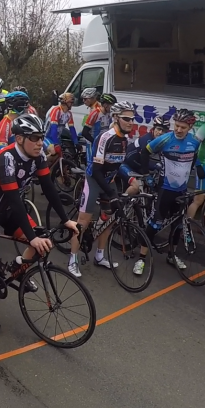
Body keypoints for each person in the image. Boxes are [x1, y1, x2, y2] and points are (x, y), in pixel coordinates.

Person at [0, 114, 79, 329]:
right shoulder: (7, 157)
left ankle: (17, 270)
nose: (41, 143)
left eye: (42, 138)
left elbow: (49, 188)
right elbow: (13, 197)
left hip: (11, 209)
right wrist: (31, 238)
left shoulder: (38, 157)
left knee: (43, 242)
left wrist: (67, 220)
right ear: (20, 139)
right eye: (35, 138)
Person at [66, 100, 136, 277]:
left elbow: (117, 165)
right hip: (94, 180)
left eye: (132, 119)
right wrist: (111, 192)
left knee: (108, 220)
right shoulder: (105, 137)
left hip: (109, 179)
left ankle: (99, 256)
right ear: (115, 118)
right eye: (126, 118)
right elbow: (96, 170)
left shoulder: (124, 139)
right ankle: (72, 260)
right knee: (83, 222)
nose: (130, 122)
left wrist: (129, 179)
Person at [135, 109, 202, 275]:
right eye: (176, 126)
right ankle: (141, 258)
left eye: (183, 127)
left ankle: (172, 255)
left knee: (178, 223)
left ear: (190, 127)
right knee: (155, 223)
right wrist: (145, 175)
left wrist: (197, 166)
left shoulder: (194, 142)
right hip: (165, 189)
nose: (178, 130)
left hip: (182, 190)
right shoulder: (165, 139)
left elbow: (194, 155)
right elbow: (145, 152)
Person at [120, 116, 169, 196]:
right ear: (153, 129)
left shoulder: (162, 141)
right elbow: (143, 159)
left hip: (138, 165)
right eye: (158, 129)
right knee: (135, 187)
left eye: (163, 131)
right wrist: (150, 170)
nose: (160, 132)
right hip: (125, 165)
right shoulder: (147, 140)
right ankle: (122, 204)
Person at [45, 92, 78, 168]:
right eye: (71, 102)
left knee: (61, 158)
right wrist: (56, 144)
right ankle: (43, 166)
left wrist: (76, 143)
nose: (72, 104)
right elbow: (53, 128)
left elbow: (72, 129)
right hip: (47, 137)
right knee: (54, 151)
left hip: (57, 137)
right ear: (65, 102)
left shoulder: (69, 114)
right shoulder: (56, 110)